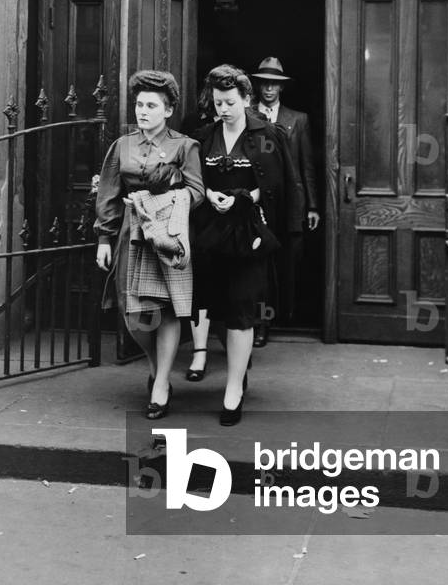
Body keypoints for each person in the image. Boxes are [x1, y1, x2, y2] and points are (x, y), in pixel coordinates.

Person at [191, 64, 303, 425]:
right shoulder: (204, 137)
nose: (222, 109)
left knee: (241, 309)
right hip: (211, 234)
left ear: (246, 99)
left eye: (229, 102)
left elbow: (280, 185)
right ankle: (235, 369)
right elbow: (193, 179)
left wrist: (246, 197)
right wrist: (209, 194)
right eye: (217, 102)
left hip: (250, 235)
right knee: (216, 307)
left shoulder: (268, 135)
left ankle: (233, 388)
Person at [94, 70, 204, 420]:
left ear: (168, 110)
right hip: (131, 235)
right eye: (139, 104)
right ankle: (157, 367)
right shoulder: (122, 146)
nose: (142, 111)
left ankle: (161, 385)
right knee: (134, 313)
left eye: (151, 105)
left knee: (167, 309)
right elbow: (108, 194)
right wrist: (103, 238)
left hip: (168, 236)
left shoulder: (185, 146)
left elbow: (198, 192)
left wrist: (168, 193)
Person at [251, 56, 320, 347]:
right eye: (264, 83)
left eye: (274, 84)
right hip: (257, 200)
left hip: (290, 202)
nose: (269, 89)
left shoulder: (298, 119)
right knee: (258, 264)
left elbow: (307, 166)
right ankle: (260, 325)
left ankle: (285, 315)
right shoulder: (246, 113)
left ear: (281, 88)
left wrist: (312, 205)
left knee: (288, 261)